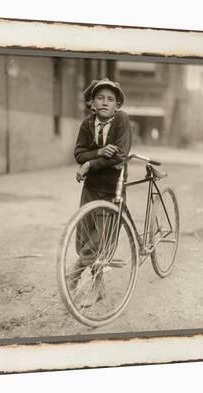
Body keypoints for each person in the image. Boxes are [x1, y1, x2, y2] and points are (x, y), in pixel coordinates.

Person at [68, 78, 132, 305]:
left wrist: (89, 164)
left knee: (101, 239)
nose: (105, 103)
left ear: (118, 105)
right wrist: (99, 153)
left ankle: (74, 274)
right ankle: (98, 286)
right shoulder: (87, 124)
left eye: (110, 99)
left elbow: (120, 155)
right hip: (90, 188)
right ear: (92, 103)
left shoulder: (122, 120)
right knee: (85, 235)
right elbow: (78, 153)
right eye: (100, 98)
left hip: (111, 187)